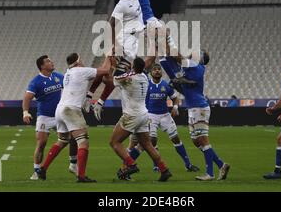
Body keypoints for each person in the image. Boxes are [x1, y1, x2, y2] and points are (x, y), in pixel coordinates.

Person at [37, 54, 112, 182]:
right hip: (71, 109)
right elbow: (106, 70)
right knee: (83, 142)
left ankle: (43, 168)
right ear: (78, 61)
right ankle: (81, 176)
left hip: (60, 109)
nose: (83, 61)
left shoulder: (68, 73)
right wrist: (108, 56)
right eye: (81, 59)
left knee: (63, 140)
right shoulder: (81, 71)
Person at [125, 64, 199, 173]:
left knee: (176, 138)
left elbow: (175, 98)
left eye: (159, 69)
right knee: (152, 140)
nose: (157, 71)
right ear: (151, 73)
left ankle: (188, 165)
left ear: (161, 72)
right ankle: (155, 165)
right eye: (154, 69)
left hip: (165, 115)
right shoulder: (146, 85)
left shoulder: (166, 85)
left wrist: (175, 107)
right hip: (150, 116)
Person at [168, 50, 230, 181]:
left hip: (199, 107)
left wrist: (167, 43)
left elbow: (179, 58)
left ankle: (210, 173)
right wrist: (178, 82)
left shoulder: (198, 66)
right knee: (196, 141)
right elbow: (186, 86)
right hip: (192, 107)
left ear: (202, 58)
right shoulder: (192, 68)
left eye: (199, 53)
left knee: (203, 139)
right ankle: (221, 164)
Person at [110, 57, 172, 182]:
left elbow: (114, 79)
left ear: (133, 66)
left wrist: (115, 65)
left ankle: (131, 165)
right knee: (147, 144)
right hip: (144, 114)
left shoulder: (129, 78)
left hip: (131, 115)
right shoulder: (144, 77)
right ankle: (164, 170)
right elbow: (136, 71)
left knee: (114, 142)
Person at [22, 55, 78, 180]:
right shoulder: (36, 81)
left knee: (74, 136)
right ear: (42, 66)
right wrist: (26, 112)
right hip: (44, 116)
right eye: (48, 61)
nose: (52, 62)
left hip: (60, 115)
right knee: (41, 143)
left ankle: (73, 163)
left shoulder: (58, 76)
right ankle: (37, 170)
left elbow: (70, 87)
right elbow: (27, 98)